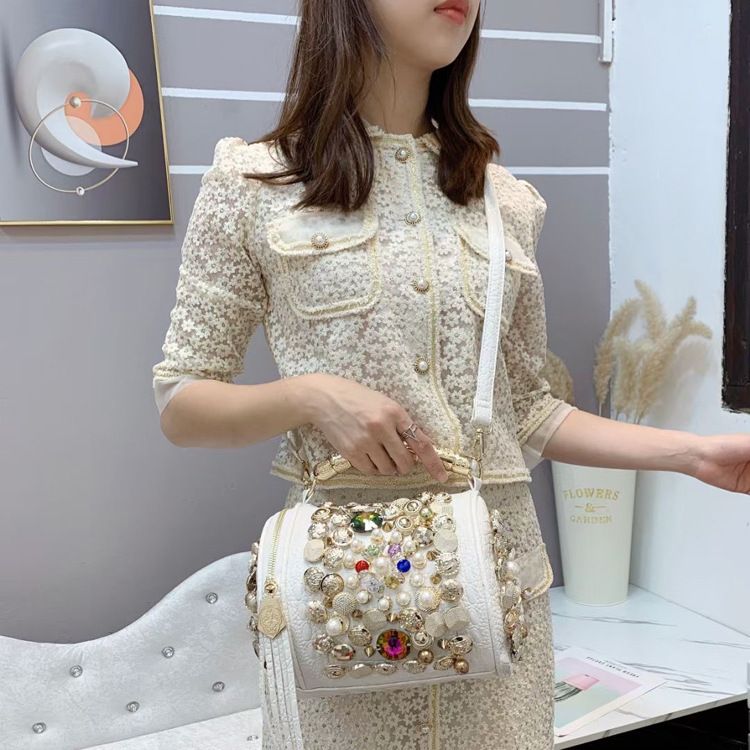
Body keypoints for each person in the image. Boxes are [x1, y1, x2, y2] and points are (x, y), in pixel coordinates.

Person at [151, 1, 750, 748]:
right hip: (347, 599)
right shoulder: (254, 184)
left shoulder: (507, 202)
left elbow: (528, 409)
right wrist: (310, 396)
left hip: (499, 593)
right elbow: (182, 401)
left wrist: (695, 454)